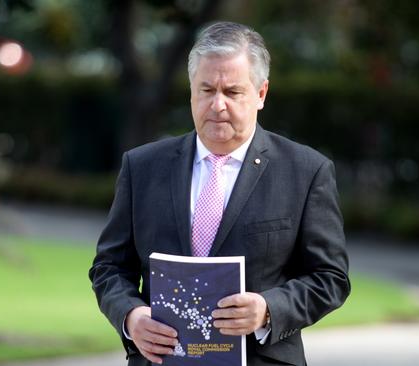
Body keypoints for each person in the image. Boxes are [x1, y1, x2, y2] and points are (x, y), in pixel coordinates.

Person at [89, 21, 350, 366]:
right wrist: (130, 317)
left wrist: (268, 310)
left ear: (261, 93)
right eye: (207, 90)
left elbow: (330, 278)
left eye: (232, 92)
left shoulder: (305, 171)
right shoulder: (142, 167)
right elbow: (109, 267)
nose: (217, 105)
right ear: (191, 91)